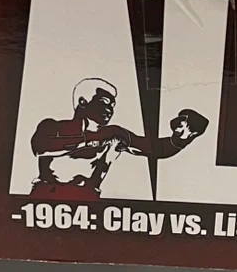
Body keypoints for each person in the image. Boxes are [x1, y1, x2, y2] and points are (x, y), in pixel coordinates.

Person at [30, 78, 208, 201]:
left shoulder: (114, 133)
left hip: (87, 200)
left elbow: (156, 149)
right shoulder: (52, 126)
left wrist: (182, 138)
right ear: (83, 102)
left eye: (113, 105)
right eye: (104, 101)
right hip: (46, 198)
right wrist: (94, 140)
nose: (110, 109)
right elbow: (41, 147)